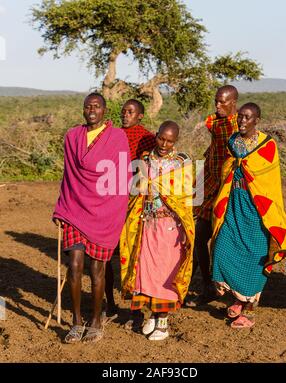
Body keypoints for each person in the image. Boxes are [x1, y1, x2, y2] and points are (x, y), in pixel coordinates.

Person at [211, 102, 286, 328]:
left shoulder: (267, 145)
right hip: (234, 202)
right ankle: (236, 298)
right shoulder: (233, 142)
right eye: (240, 116)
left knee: (254, 258)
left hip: (258, 209)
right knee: (222, 248)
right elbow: (228, 169)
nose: (242, 121)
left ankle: (247, 309)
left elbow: (268, 182)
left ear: (256, 120)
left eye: (247, 117)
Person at [53, 92, 131, 343]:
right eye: (87, 107)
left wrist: (115, 212)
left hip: (104, 214)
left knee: (97, 271)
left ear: (105, 110)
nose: (91, 111)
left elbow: (121, 180)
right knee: (75, 267)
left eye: (96, 107)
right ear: (83, 110)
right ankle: (76, 322)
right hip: (74, 210)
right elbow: (69, 176)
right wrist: (60, 208)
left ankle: (96, 320)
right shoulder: (73, 136)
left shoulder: (117, 137)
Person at [120, 121, 194, 340]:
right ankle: (152, 314)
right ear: (156, 135)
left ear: (176, 141)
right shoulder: (145, 158)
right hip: (148, 222)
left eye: (170, 141)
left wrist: (158, 186)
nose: (164, 144)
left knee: (165, 271)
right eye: (161, 138)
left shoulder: (183, 162)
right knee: (147, 269)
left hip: (171, 224)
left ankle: (163, 321)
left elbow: (185, 195)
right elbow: (138, 188)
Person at [105, 99, 156, 316]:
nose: (125, 115)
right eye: (124, 111)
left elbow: (148, 172)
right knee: (105, 255)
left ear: (140, 116)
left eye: (130, 112)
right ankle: (108, 302)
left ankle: (136, 309)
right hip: (110, 199)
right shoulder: (113, 135)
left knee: (135, 253)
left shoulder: (147, 138)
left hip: (135, 201)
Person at [190, 85, 239, 304]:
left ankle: (233, 293)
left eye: (223, 102)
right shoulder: (214, 122)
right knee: (200, 236)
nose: (218, 105)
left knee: (225, 242)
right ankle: (207, 285)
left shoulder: (241, 124)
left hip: (232, 189)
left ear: (233, 102)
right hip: (211, 184)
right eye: (216, 101)